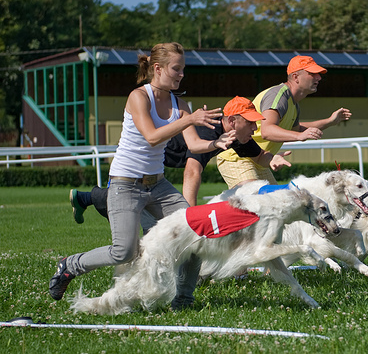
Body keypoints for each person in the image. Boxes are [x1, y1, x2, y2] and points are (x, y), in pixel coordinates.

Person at [49, 42, 228, 309]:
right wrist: (189, 120)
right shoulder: (138, 97)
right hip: (125, 184)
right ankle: (70, 265)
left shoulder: (180, 103)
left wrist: (219, 142)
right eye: (176, 69)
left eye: (183, 69)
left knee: (195, 233)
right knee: (124, 252)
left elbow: (193, 145)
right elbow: (152, 136)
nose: (181, 75)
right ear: (158, 68)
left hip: (159, 185)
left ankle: (184, 299)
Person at [70, 96, 292, 223]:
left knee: (138, 209)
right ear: (232, 121)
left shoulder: (238, 136)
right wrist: (191, 215)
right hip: (144, 157)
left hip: (159, 164)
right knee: (126, 205)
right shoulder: (209, 131)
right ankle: (86, 198)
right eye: (251, 122)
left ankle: (83, 198)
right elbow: (192, 171)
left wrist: (272, 159)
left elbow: (260, 156)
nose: (255, 128)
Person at [217, 55, 352, 188]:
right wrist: (299, 136)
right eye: (312, 73)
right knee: (253, 201)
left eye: (318, 74)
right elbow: (267, 130)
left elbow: (296, 130)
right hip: (237, 157)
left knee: (274, 204)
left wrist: (330, 121)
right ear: (295, 77)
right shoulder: (279, 95)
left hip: (259, 160)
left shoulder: (292, 104)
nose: (319, 77)